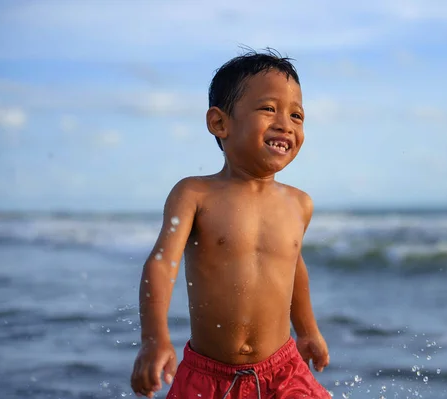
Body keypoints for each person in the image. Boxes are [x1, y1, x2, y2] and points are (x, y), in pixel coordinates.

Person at [130, 48, 331, 399]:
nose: (286, 122)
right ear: (220, 123)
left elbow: (293, 266)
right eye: (269, 108)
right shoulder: (195, 194)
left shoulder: (299, 203)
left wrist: (308, 330)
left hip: (283, 370)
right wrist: (154, 339)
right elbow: (162, 263)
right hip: (208, 376)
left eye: (297, 115)